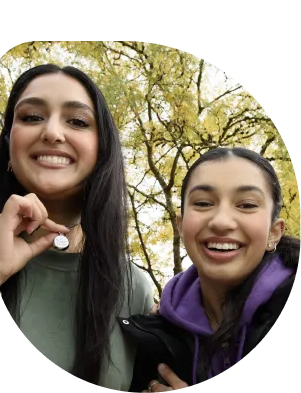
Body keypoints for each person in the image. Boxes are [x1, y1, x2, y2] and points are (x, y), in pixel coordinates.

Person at [0, 63, 156, 390]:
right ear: (9, 145)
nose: (51, 132)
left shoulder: (133, 288)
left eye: (77, 121)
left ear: (101, 152)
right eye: (31, 117)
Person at [120, 147, 301, 392]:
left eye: (246, 205)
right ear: (181, 226)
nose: (221, 222)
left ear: (274, 232)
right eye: (203, 203)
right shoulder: (153, 336)